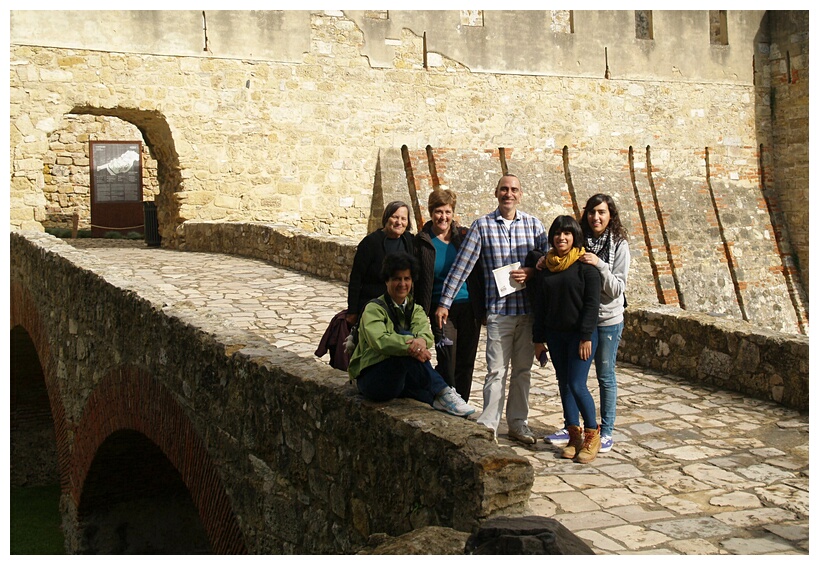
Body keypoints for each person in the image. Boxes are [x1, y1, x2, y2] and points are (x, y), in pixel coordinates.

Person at [435, 174, 548, 444]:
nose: (509, 194)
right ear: (496, 193)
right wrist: (444, 302)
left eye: (514, 190)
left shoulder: (534, 226)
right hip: (499, 312)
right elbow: (462, 266)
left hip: (527, 312)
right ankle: (489, 425)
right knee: (496, 372)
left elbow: (549, 263)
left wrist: (531, 271)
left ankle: (518, 423)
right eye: (504, 189)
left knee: (523, 371)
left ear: (520, 194)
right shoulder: (482, 226)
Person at [545, 194, 630, 454]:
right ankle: (572, 427)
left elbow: (618, 288)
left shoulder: (619, 244)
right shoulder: (580, 238)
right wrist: (540, 261)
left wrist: (600, 264)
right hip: (580, 321)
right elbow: (562, 257)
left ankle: (605, 431)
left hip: (607, 319)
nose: (596, 217)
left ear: (610, 216)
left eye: (602, 213)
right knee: (569, 378)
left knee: (604, 376)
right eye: (592, 212)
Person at [347, 252, 477, 417]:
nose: (402, 284)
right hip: (373, 379)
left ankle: (443, 399)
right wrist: (412, 344)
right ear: (387, 280)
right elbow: (379, 340)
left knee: (428, 397)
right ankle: (444, 391)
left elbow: (426, 334)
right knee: (406, 341)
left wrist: (420, 342)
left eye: (406, 279)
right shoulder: (374, 309)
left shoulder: (415, 309)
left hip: (401, 380)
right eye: (396, 279)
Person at [531, 215, 602, 463]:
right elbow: (540, 306)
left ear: (574, 237)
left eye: (567, 233)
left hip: (580, 336)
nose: (562, 238)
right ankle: (574, 434)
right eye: (558, 233)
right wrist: (538, 340)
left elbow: (592, 305)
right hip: (555, 334)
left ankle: (593, 433)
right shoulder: (546, 267)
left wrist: (585, 337)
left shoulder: (586, 267)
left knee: (576, 384)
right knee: (564, 384)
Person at [414, 188, 484, 402]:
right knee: (447, 359)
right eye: (438, 212)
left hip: (468, 306)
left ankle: (461, 402)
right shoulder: (422, 242)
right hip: (440, 310)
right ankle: (446, 397)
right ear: (430, 212)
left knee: (466, 360)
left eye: (447, 212)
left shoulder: (463, 238)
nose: (443, 217)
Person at [346, 201, 415, 326]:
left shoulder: (409, 241)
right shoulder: (370, 243)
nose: (399, 222)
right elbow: (356, 278)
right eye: (395, 217)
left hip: (401, 309)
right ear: (386, 218)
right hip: (373, 307)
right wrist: (352, 311)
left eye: (403, 218)